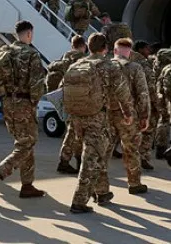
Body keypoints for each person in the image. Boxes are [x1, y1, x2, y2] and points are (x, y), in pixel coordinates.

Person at [67, 33, 133, 213]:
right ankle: (79, 202)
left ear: (88, 47)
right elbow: (123, 93)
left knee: (98, 154)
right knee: (91, 158)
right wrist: (128, 113)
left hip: (77, 117)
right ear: (105, 48)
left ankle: (102, 192)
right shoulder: (109, 66)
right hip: (96, 117)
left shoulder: (76, 65)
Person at [0, 20, 46, 201]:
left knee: (24, 142)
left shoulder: (6, 52)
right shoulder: (31, 54)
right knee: (27, 144)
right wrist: (34, 103)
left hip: (7, 102)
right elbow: (36, 85)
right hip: (24, 103)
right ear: (29, 33)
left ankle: (27, 185)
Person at [105, 39, 150, 198]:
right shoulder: (135, 67)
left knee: (104, 150)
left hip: (106, 114)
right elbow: (142, 94)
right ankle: (134, 183)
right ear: (129, 53)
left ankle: (101, 188)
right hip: (128, 115)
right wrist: (144, 116)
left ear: (115, 51)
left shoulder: (104, 66)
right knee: (131, 149)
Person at [56, 35, 88, 174]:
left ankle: (75, 160)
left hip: (66, 96)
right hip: (78, 99)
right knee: (74, 133)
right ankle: (66, 161)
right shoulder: (82, 59)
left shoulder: (64, 57)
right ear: (83, 46)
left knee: (73, 131)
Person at [131, 40, 160, 169]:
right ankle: (143, 157)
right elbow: (151, 87)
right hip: (144, 102)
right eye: (147, 48)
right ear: (141, 49)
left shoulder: (127, 62)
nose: (149, 51)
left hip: (130, 102)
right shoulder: (144, 64)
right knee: (148, 131)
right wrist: (156, 104)